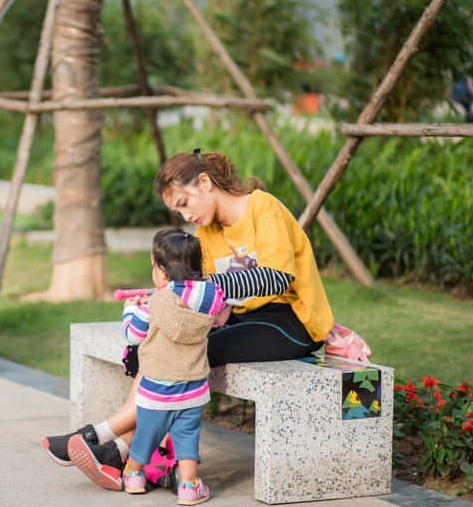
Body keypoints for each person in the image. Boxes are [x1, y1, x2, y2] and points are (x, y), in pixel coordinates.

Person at [43, 149, 334, 489]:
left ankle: (102, 435)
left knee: (187, 356)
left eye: (184, 203)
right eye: (177, 210)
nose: (185, 214)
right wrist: (163, 308)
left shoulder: (263, 208)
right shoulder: (207, 232)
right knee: (158, 347)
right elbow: (208, 301)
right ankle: (119, 450)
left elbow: (277, 278)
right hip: (242, 317)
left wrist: (204, 287)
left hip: (292, 321)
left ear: (205, 182)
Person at [70, 229, 224, 502]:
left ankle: (133, 476)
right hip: (193, 388)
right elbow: (216, 312)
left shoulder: (155, 303)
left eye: (153, 265)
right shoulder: (211, 295)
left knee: (146, 434)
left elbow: (134, 334)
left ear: (163, 273)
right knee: (187, 437)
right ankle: (189, 488)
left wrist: (131, 308)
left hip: (156, 389)